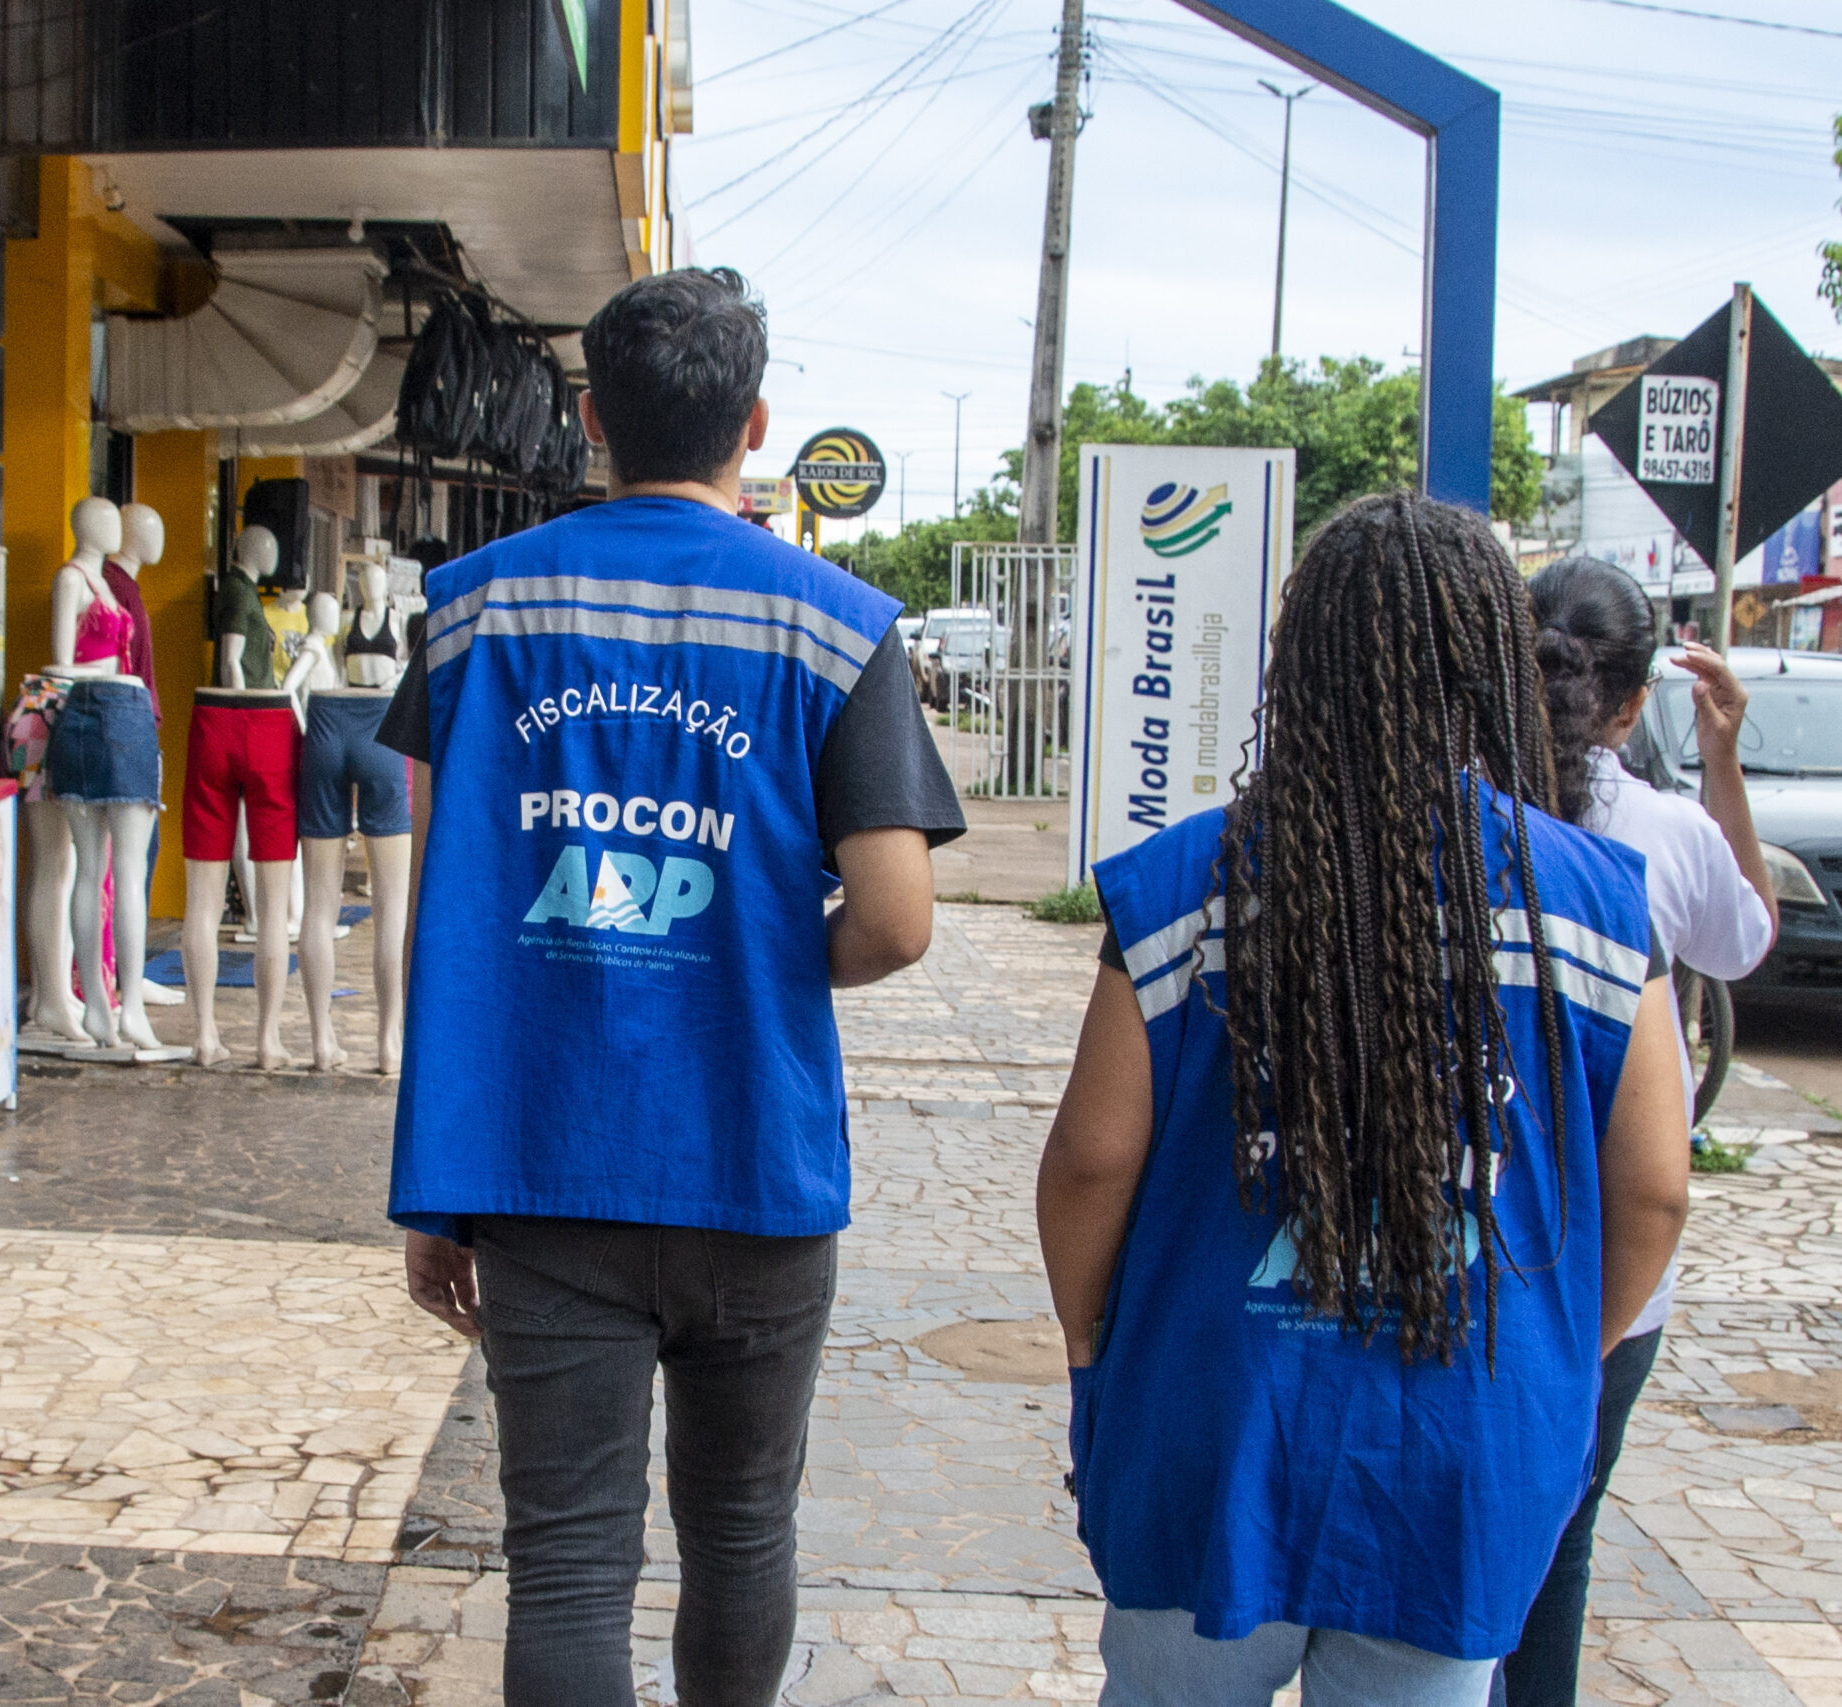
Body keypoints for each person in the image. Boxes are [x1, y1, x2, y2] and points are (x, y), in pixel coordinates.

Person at [380, 267, 965, 1707]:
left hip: (539, 1159)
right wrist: (754, 949)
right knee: (743, 1529)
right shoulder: (837, 625)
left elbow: (441, 908)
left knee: (567, 1559)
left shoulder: (470, 610)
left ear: (591, 419)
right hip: (754, 1164)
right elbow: (896, 921)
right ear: (754, 425)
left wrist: (435, 1187)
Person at [1038, 493, 1692, 1707]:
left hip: (1209, 1420)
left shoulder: (1183, 887)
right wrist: (1559, 1357)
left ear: (1300, 659)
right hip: (1459, 1449)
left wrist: (1091, 1350)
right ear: (1494, 663)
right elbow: (1653, 1189)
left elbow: (1090, 1162)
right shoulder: (1599, 905)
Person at [1496, 558, 1778, 1707]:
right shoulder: (1661, 836)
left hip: (1461, 1238)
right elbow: (1744, 943)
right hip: (1611, 1269)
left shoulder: (1443, 815)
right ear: (1631, 703)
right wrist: (1720, 758)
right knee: (1557, 1539)